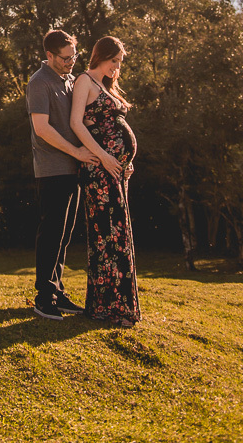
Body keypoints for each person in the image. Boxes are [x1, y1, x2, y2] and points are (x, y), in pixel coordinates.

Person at [26, 29, 99, 320]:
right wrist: (77, 152)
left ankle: (57, 290)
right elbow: (42, 129)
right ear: (50, 56)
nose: (72, 62)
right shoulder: (39, 82)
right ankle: (44, 298)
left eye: (74, 56)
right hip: (53, 168)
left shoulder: (68, 80)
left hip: (72, 167)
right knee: (52, 233)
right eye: (66, 58)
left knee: (65, 234)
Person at [70, 35, 141, 328]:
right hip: (99, 170)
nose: (117, 68)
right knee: (106, 236)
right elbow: (76, 124)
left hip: (115, 171)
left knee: (119, 235)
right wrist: (105, 157)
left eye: (120, 63)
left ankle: (122, 307)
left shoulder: (106, 86)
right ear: (102, 56)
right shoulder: (85, 81)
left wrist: (127, 161)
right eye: (114, 61)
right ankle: (107, 308)